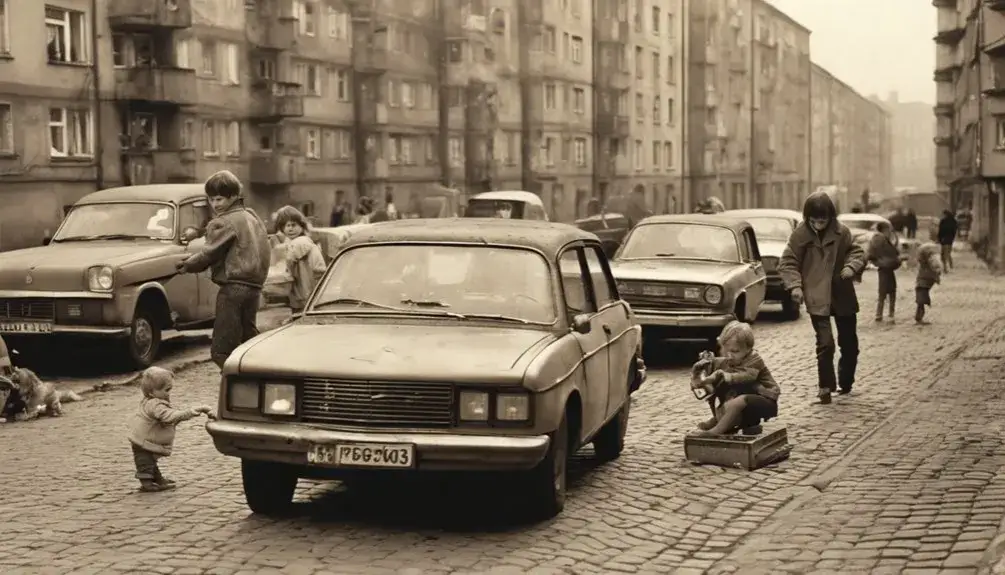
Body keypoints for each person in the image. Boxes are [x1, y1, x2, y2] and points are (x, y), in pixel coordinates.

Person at [176, 170, 271, 369]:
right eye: (211, 200)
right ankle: (259, 373)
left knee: (221, 349)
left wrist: (187, 265)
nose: (215, 204)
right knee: (248, 340)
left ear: (234, 197)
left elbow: (210, 253)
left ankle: (237, 386)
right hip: (255, 287)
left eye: (219, 199)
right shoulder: (252, 217)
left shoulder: (223, 222)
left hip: (233, 288)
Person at [778, 191, 866, 405]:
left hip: (842, 293)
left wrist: (851, 267)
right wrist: (795, 287)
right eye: (814, 219)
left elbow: (857, 252)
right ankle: (825, 388)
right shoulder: (800, 236)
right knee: (825, 344)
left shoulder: (841, 232)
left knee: (849, 343)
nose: (818, 223)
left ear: (830, 217)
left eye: (823, 219)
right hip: (817, 295)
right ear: (807, 217)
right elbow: (788, 262)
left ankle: (846, 382)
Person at [128, 367, 213, 492]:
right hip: (144, 440)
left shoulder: (152, 401)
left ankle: (158, 479)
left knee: (150, 460)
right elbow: (169, 417)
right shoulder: (155, 405)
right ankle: (146, 483)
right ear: (152, 393)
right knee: (145, 462)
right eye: (166, 390)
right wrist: (189, 413)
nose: (169, 393)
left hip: (144, 439)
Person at [689, 321, 780, 436]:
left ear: (748, 348)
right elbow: (710, 377)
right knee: (722, 394)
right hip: (747, 399)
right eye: (726, 351)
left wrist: (726, 375)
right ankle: (721, 420)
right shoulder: (728, 360)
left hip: (765, 399)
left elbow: (747, 377)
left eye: (735, 351)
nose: (729, 355)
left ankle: (716, 431)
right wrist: (699, 373)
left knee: (738, 401)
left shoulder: (755, 360)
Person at [273, 205, 326, 312]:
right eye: (286, 226)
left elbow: (289, 262)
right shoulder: (301, 241)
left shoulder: (300, 242)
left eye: (293, 225)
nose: (290, 228)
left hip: (305, 291)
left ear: (302, 226)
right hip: (308, 289)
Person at [868, 220, 901, 323]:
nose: (890, 232)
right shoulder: (881, 239)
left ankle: (881, 314)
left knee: (886, 292)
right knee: (888, 292)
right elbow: (891, 252)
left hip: (885, 268)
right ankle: (884, 314)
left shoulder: (880, 239)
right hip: (885, 268)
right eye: (888, 230)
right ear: (884, 230)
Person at [915, 242, 943, 325]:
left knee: (921, 298)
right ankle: (919, 317)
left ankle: (919, 317)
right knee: (922, 299)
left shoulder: (923, 262)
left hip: (922, 279)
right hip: (926, 279)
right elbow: (936, 265)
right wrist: (937, 273)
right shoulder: (931, 258)